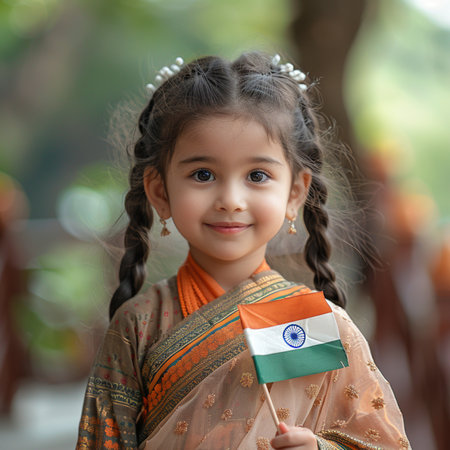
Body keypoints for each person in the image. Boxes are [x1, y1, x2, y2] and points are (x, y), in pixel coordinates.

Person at [76, 52, 409, 449]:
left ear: (295, 193)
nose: (231, 199)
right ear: (160, 192)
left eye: (257, 175)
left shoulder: (318, 325)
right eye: (203, 174)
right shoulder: (137, 326)